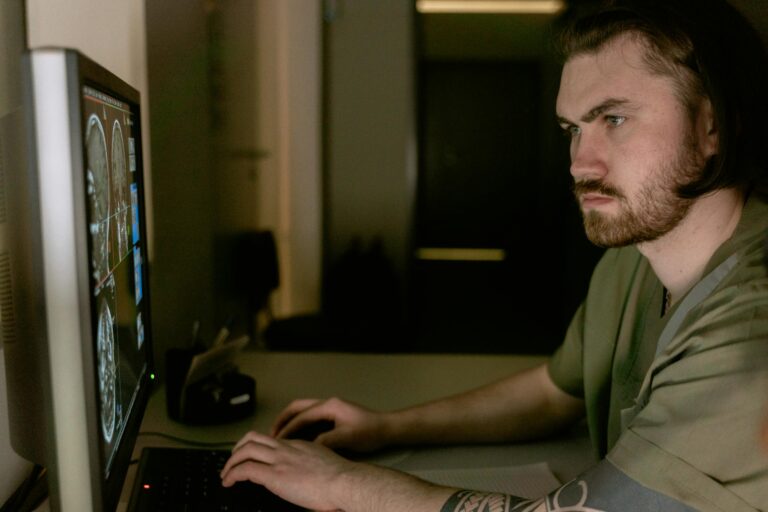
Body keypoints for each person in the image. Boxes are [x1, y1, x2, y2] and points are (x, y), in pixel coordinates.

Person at [220, 0, 768, 510]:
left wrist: (342, 483)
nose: (581, 163)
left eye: (614, 119)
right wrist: (387, 427)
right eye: (572, 128)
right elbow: (555, 392)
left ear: (711, 123)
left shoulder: (751, 324)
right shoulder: (632, 260)